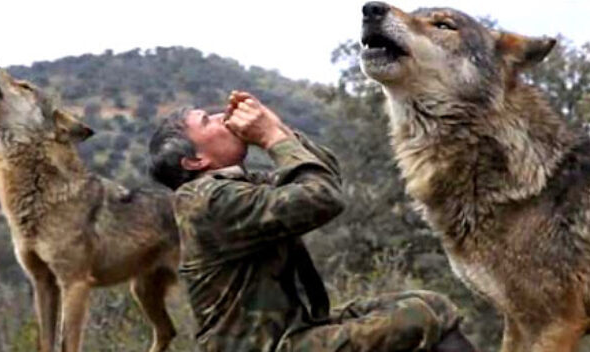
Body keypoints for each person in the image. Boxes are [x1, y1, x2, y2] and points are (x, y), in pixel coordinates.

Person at [148, 91, 477, 352]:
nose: (223, 116)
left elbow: (323, 174)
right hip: (275, 347)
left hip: (294, 333)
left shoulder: (234, 189)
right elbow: (322, 198)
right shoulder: (208, 200)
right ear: (194, 160)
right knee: (421, 318)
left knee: (430, 303)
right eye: (208, 120)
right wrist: (272, 140)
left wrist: (277, 129)